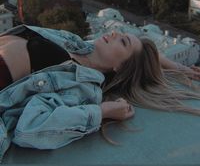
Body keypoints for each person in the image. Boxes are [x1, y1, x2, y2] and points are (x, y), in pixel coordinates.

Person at [0, 24, 200, 162]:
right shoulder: (77, 43)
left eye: (123, 42)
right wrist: (178, 66)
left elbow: (30, 127)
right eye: (119, 33)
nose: (114, 33)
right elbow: (146, 54)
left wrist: (101, 111)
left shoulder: (83, 88)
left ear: (121, 67)